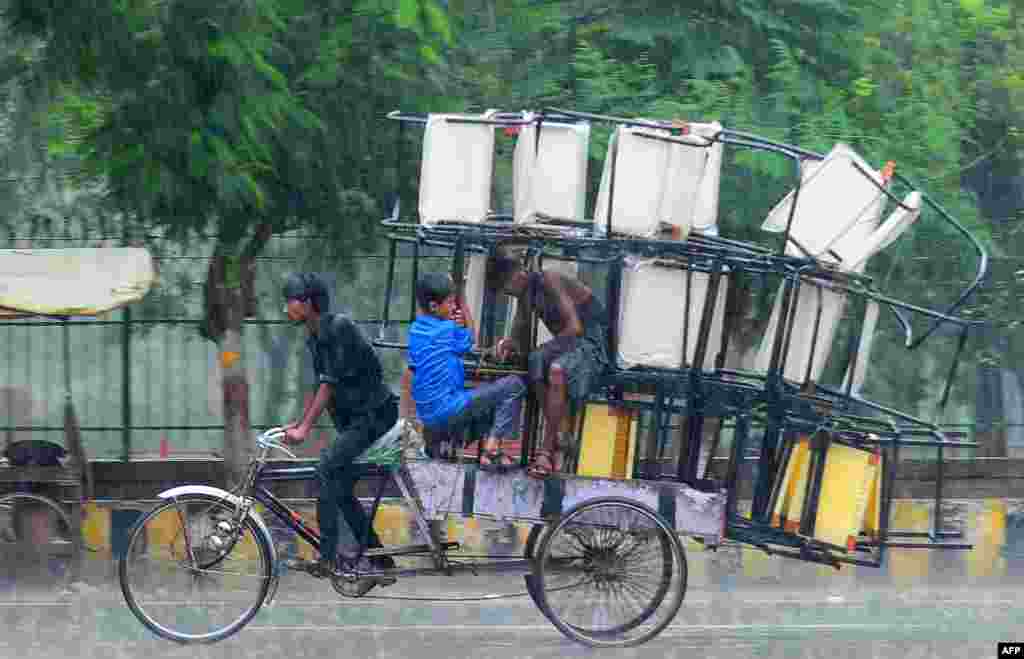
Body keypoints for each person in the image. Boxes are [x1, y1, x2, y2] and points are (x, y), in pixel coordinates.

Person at [280, 272, 397, 589]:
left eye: (291, 301)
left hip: (375, 416)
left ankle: (327, 557)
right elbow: (322, 384)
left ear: (308, 302)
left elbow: (329, 383)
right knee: (340, 489)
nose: (286, 308)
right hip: (356, 422)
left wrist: (305, 427)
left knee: (325, 471)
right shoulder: (315, 337)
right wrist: (300, 422)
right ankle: (382, 562)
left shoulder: (339, 328)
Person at [488, 248, 610, 478]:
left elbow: (575, 328)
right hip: (570, 344)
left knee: (555, 369)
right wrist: (507, 343)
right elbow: (519, 327)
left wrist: (545, 349)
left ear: (518, 275)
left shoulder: (549, 279)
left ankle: (547, 450)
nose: (509, 293)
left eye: (507, 287)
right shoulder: (524, 293)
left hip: (592, 343)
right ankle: (562, 431)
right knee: (534, 361)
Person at [408, 272, 526, 471]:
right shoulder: (446, 330)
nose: (454, 307)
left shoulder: (416, 330)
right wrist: (464, 306)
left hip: (427, 415)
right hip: (447, 410)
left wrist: (452, 319)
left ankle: (465, 446)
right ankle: (491, 450)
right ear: (434, 307)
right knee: (515, 385)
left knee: (489, 403)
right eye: (450, 303)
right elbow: (471, 338)